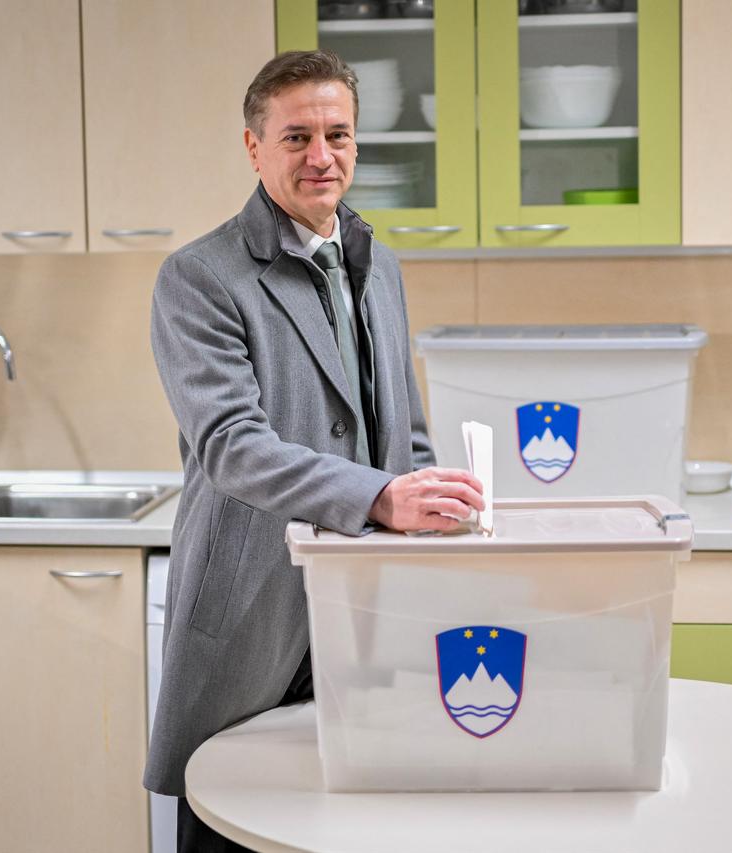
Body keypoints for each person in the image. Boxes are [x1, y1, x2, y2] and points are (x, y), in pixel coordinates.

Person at [146, 50, 485, 851]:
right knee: (234, 827)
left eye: (337, 134)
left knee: (356, 828)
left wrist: (438, 499)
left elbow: (404, 430)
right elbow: (231, 446)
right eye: (296, 136)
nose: (320, 156)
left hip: (364, 618)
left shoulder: (379, 266)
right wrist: (378, 497)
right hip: (251, 620)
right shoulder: (199, 278)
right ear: (253, 146)